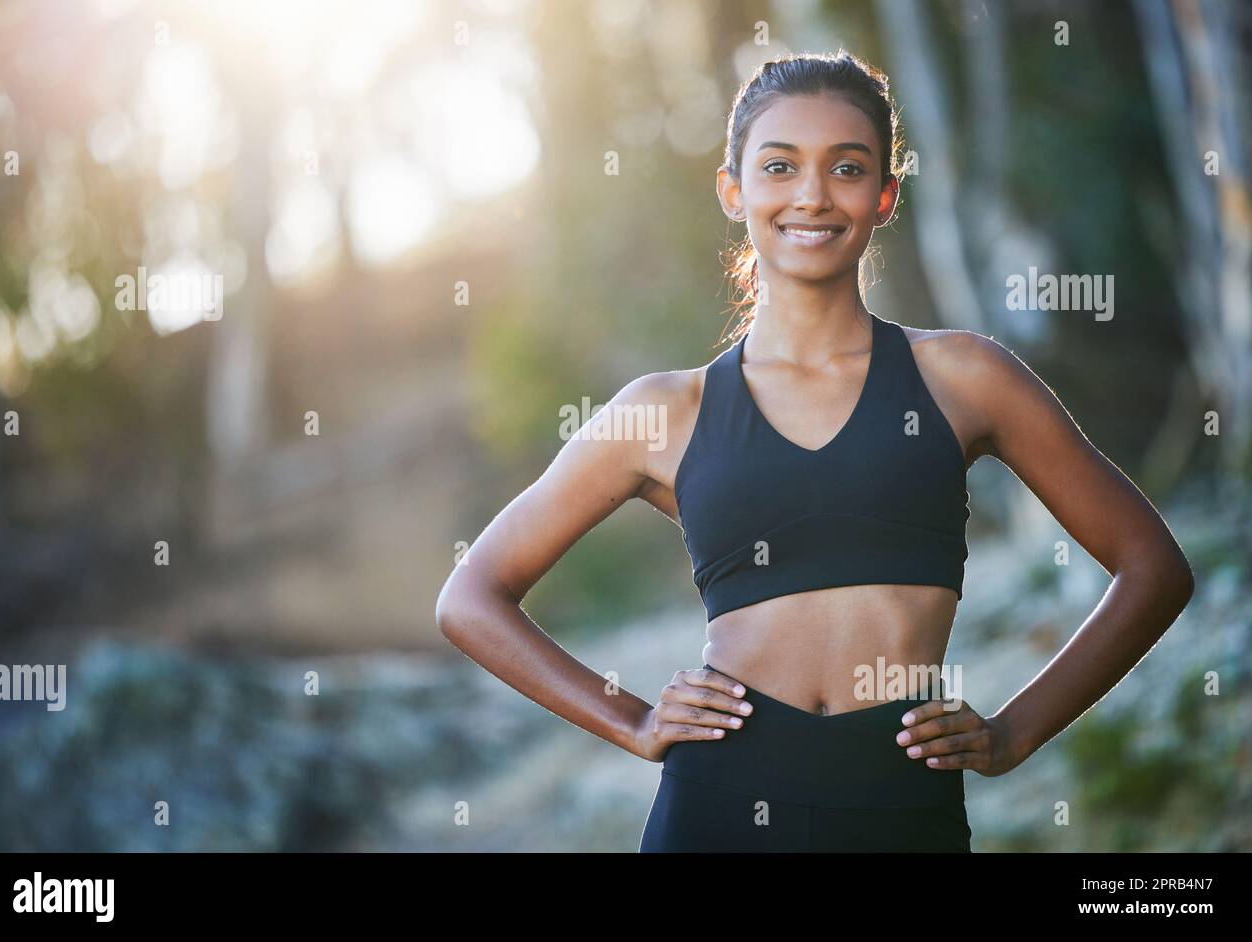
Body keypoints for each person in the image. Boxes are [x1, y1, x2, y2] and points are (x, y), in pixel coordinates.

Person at [435, 51, 1195, 852]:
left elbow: (1153, 567)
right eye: (778, 166)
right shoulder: (664, 412)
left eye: (846, 167)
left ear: (883, 196)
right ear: (735, 192)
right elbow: (471, 597)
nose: (811, 195)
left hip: (901, 805)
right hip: (716, 806)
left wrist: (1013, 736)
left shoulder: (966, 377)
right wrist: (631, 720)